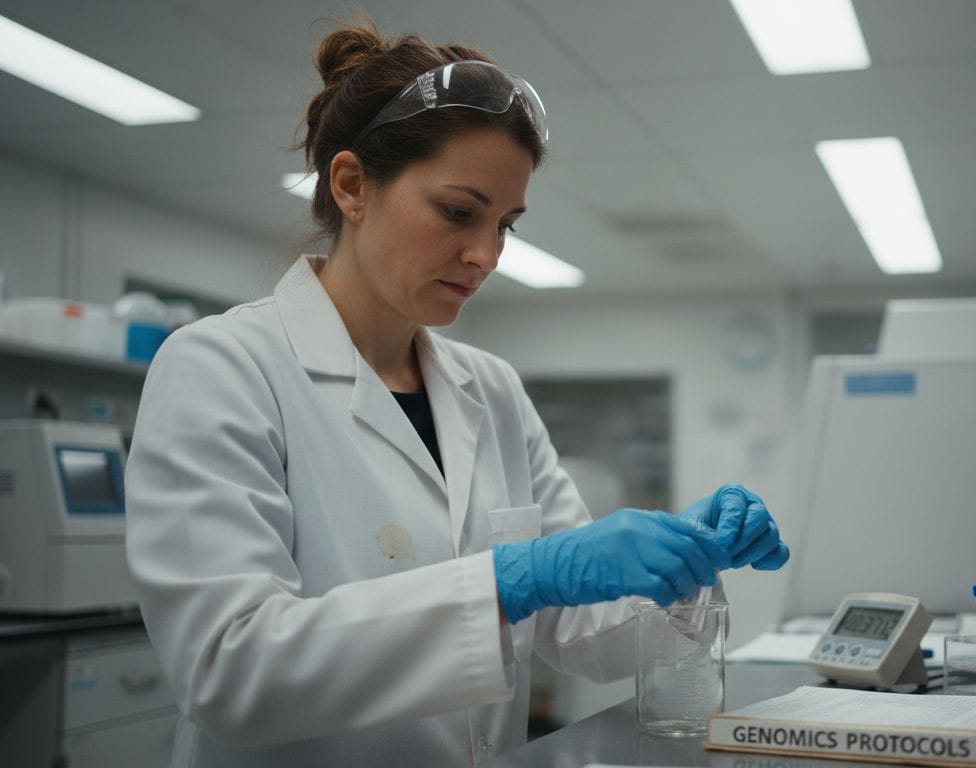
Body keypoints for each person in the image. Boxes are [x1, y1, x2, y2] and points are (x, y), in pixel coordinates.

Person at [125, 21, 788, 767]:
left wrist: (682, 569)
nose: (486, 255)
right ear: (351, 186)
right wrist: (513, 580)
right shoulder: (222, 368)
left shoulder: (492, 390)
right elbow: (228, 670)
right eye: (458, 212)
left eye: (505, 223)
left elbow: (581, 633)